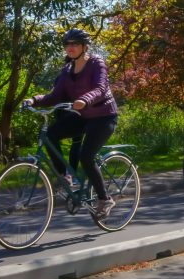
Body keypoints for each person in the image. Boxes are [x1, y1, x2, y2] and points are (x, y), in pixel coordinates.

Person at [23, 29, 118, 219]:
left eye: (74, 44)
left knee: (86, 156)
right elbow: (55, 96)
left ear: (84, 47)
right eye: (67, 44)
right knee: (50, 134)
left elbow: (100, 88)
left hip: (104, 116)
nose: (70, 48)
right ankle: (63, 177)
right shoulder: (67, 71)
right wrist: (35, 100)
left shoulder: (96, 63)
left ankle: (105, 198)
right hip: (82, 115)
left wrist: (84, 99)